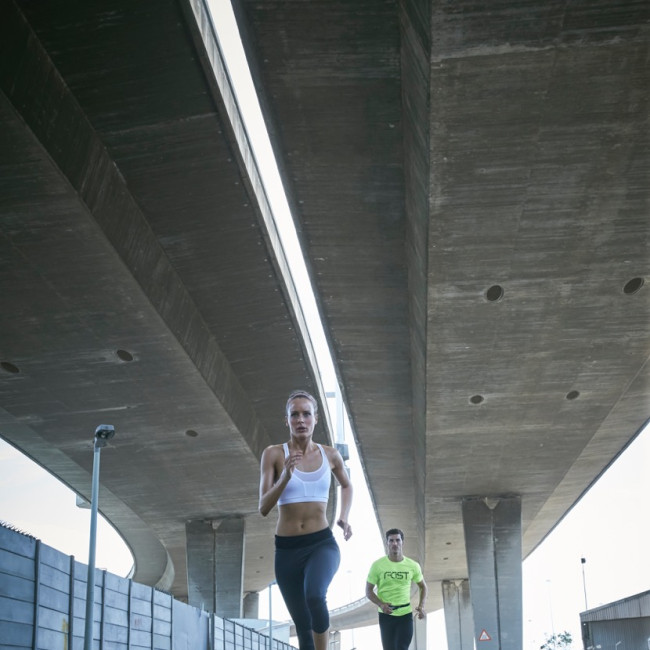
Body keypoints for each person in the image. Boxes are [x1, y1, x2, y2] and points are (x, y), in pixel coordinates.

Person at [259, 389, 353, 650]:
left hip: (321, 544)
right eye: (294, 414)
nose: (300, 419)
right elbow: (263, 506)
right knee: (302, 626)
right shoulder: (273, 454)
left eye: (306, 414)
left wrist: (344, 517)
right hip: (287, 550)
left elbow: (347, 485)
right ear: (286, 420)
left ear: (315, 419)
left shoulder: (330, 455)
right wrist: (285, 477)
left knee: (314, 596)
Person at [366, 528, 428, 650]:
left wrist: (421, 606)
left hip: (405, 615)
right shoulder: (377, 565)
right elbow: (368, 591)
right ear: (387, 543)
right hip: (386, 615)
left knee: (401, 647)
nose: (395, 543)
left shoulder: (413, 565)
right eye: (391, 540)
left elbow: (423, 586)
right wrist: (381, 604)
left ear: (402, 542)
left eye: (398, 540)